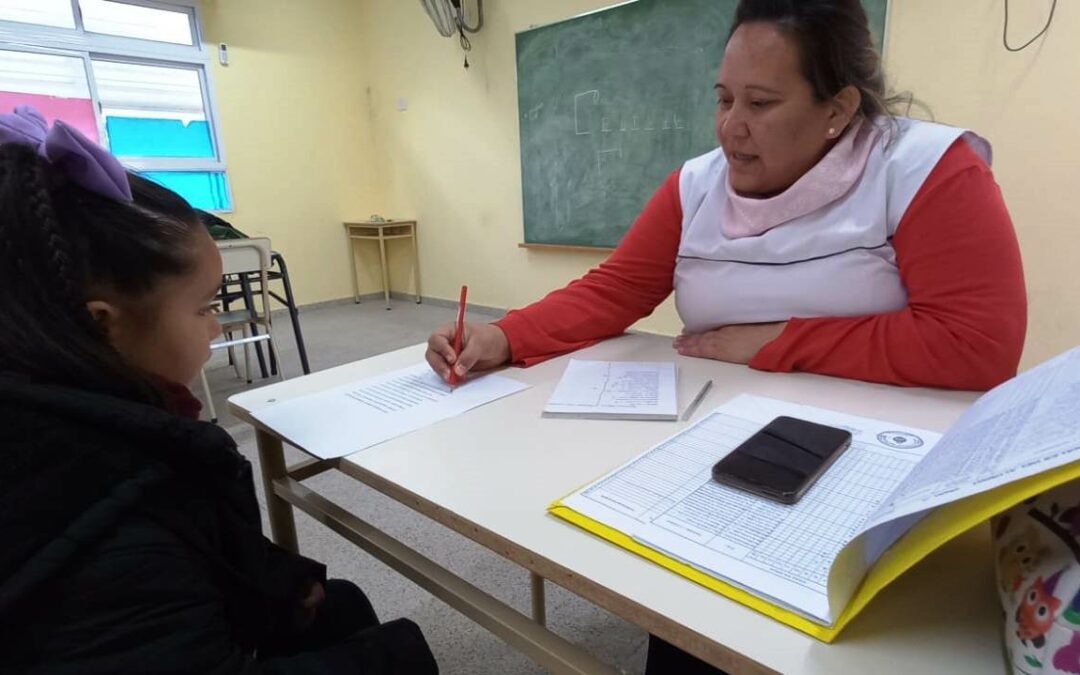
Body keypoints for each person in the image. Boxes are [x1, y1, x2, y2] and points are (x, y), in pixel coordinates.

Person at [426, 0, 1027, 671]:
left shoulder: (924, 168)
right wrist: (503, 337)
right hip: (719, 437)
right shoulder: (697, 183)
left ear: (838, 108)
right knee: (692, 609)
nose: (730, 126)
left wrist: (776, 341)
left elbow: (977, 343)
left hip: (876, 454)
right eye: (723, 98)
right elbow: (614, 290)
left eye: (761, 103)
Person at [0, 105, 438, 674]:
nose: (217, 327)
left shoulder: (93, 406)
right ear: (102, 324)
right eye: (205, 307)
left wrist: (272, 574)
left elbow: (196, 528)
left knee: (342, 604)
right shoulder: (112, 540)